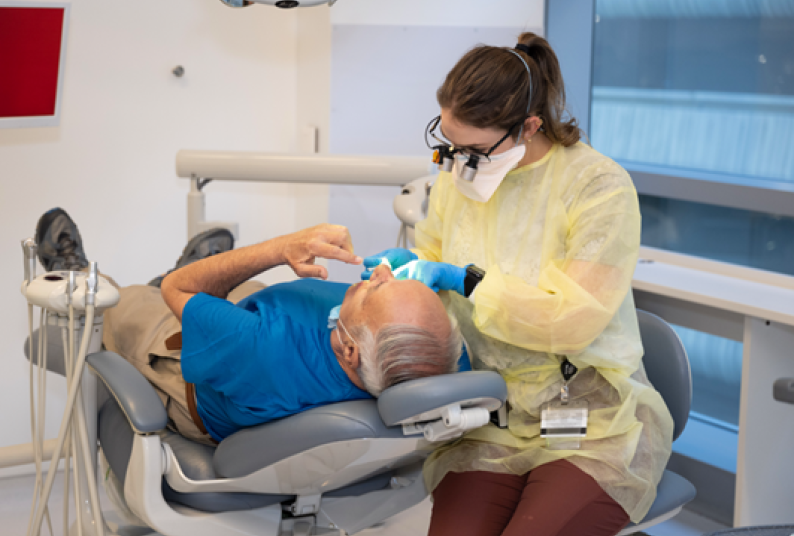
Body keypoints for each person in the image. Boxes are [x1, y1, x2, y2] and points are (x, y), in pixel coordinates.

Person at [362, 33, 674, 536]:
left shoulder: (597, 186)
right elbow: (435, 259)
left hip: (592, 422)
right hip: (490, 418)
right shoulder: (458, 179)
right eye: (450, 144)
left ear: (528, 126)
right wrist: (411, 268)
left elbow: (571, 321)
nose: (459, 162)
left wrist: (465, 281)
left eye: (475, 149)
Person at [35, 208, 462, 446]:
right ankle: (210, 291)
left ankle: (79, 276)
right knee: (250, 288)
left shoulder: (263, 347)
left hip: (194, 375)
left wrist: (283, 247)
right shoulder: (433, 358)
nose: (382, 274)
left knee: (130, 303)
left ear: (352, 352)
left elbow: (176, 290)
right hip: (264, 315)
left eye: (376, 291)